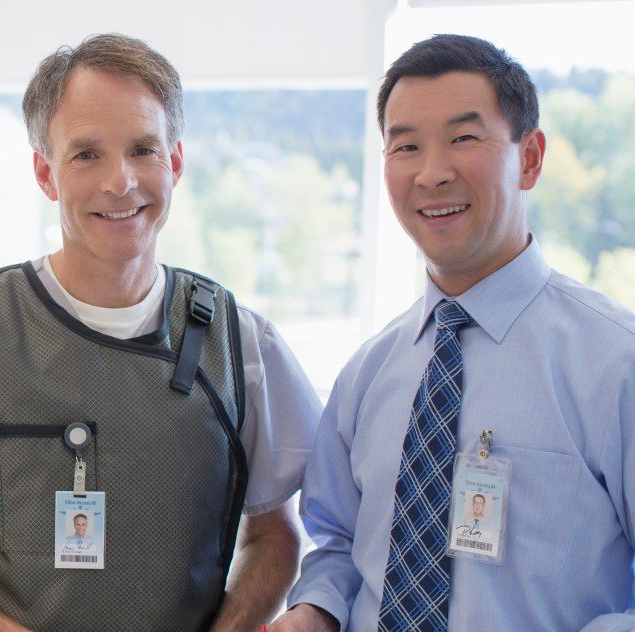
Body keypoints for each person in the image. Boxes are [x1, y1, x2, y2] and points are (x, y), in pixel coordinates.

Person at [0, 33, 322, 632]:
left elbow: (276, 535)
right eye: (87, 154)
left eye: (143, 149)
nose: (120, 182)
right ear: (45, 172)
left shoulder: (241, 343)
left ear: (175, 162)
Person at [271, 34, 635, 631]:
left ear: (532, 158)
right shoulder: (367, 373)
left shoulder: (616, 363)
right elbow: (337, 545)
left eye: (464, 138)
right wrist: (315, 610)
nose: (432, 174)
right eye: (405, 146)